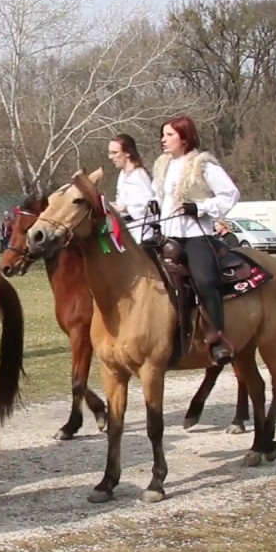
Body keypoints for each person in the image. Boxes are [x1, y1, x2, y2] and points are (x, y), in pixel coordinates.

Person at [152, 116, 241, 366]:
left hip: (196, 236)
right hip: (167, 236)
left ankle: (218, 339)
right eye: (163, 134)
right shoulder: (162, 166)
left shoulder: (203, 165)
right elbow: (159, 200)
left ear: (185, 137)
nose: (163, 139)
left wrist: (200, 207)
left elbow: (231, 194)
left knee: (204, 281)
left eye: (169, 135)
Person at [107, 133, 155, 243]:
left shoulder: (138, 175)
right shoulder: (122, 174)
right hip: (128, 232)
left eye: (115, 153)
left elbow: (148, 205)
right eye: (110, 153)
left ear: (127, 152)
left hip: (143, 235)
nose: (111, 157)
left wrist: (124, 208)